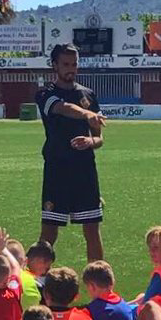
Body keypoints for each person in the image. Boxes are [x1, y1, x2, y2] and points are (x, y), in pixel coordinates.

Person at [36, 43, 107, 261]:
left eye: (74, 64)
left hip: (85, 171)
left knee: (92, 230)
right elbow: (63, 108)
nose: (71, 69)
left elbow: (99, 138)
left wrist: (91, 141)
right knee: (49, 232)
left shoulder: (88, 94)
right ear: (55, 65)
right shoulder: (46, 93)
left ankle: (99, 278)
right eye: (66, 64)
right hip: (57, 170)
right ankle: (35, 276)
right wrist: (87, 114)